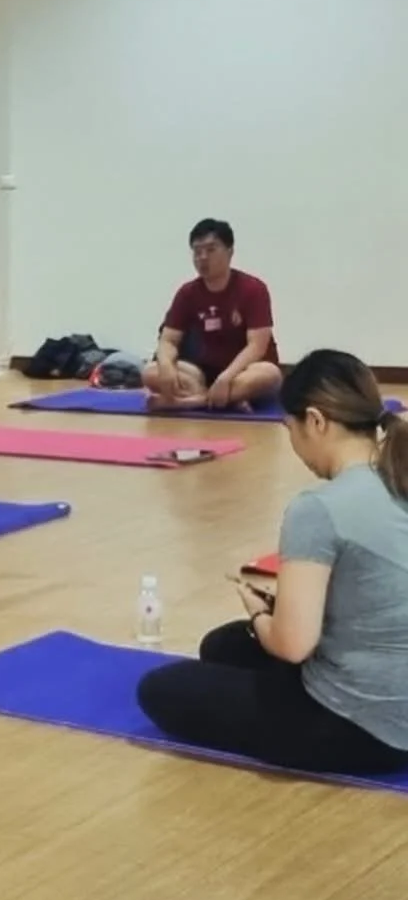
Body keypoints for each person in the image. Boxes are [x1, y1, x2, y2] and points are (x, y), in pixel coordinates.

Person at [138, 350, 408, 775]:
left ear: (315, 421)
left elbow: (293, 646)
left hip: (365, 728)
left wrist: (259, 611)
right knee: (223, 646)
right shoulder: (398, 477)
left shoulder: (318, 508)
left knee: (158, 689)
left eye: (291, 429)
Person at [143, 219, 283, 412]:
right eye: (197, 251)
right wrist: (166, 366)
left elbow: (257, 346)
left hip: (244, 370)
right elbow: (168, 340)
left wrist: (226, 378)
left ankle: (192, 402)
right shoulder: (187, 292)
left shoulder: (253, 289)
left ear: (230, 252)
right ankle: (227, 399)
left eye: (211, 250)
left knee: (269, 374)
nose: (202, 257)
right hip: (204, 373)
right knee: (150, 372)